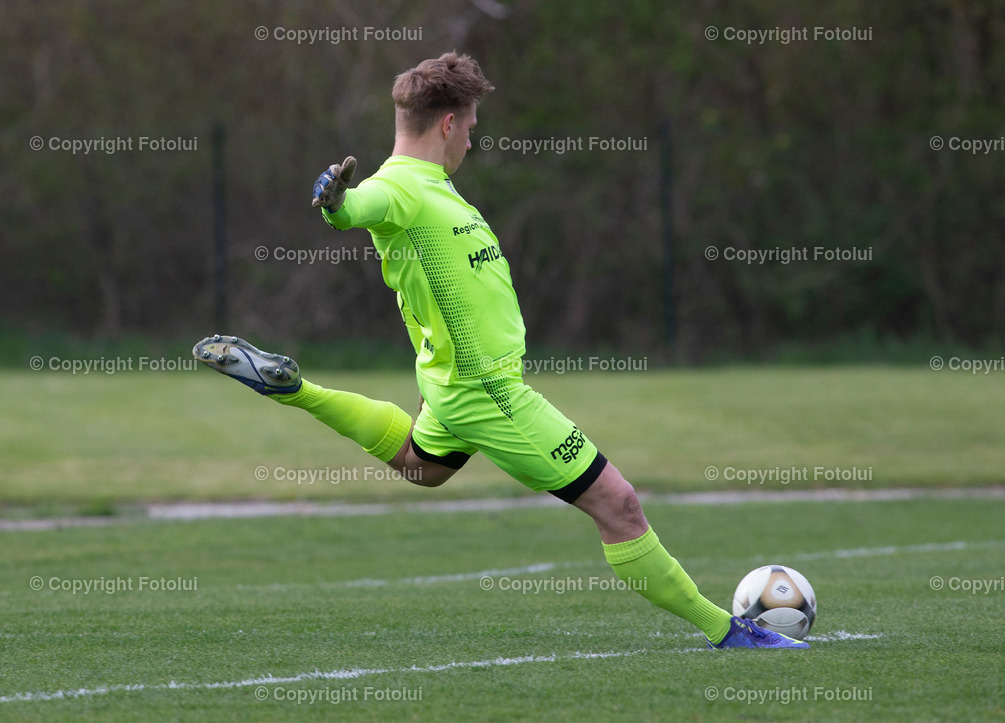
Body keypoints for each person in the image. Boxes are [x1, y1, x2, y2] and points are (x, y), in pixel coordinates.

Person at [193, 51, 807, 649]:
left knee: (419, 466)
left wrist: (344, 205)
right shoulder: (402, 188)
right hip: (490, 390)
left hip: (448, 384)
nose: (472, 141)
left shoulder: (431, 186)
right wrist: (336, 203)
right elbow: (362, 206)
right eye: (472, 127)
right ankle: (728, 630)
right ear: (449, 123)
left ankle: (295, 389)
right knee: (619, 504)